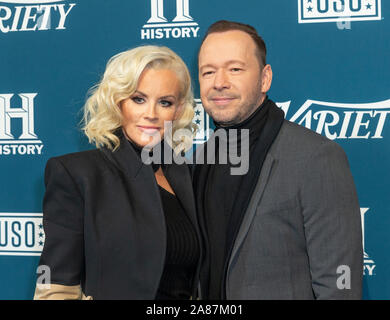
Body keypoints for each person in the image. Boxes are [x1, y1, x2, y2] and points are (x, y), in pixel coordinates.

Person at [193, 20, 363, 299]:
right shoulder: (199, 160)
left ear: (264, 78)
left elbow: (339, 285)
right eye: (208, 71)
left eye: (235, 69)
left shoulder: (316, 158)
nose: (219, 82)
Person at [34, 45, 202, 300]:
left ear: (178, 111)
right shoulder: (78, 175)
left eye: (165, 102)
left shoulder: (189, 177)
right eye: (138, 99)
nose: (151, 114)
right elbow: (55, 287)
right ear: (117, 102)